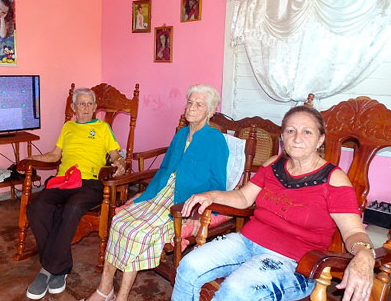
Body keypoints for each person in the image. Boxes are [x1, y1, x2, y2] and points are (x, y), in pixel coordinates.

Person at [172, 105, 376, 301]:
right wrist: (212, 195)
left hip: (294, 263)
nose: (297, 138)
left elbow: (352, 231)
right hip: (245, 242)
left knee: (235, 291)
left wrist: (364, 253)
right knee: (188, 265)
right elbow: (243, 198)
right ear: (283, 136)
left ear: (320, 140)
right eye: (290, 130)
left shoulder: (333, 179)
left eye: (307, 132)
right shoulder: (273, 164)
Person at [81, 84, 230, 301]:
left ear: (210, 112)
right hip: (160, 194)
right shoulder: (180, 135)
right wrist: (140, 197)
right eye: (190, 102)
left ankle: (121, 297)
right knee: (119, 220)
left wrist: (200, 214)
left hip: (183, 203)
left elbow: (218, 184)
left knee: (138, 233)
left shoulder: (216, 140)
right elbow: (164, 170)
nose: (191, 108)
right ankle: (105, 290)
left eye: (199, 104)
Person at [25, 88, 126, 300]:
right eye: (82, 104)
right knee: (38, 206)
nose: (87, 108)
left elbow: (115, 155)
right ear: (73, 108)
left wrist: (120, 164)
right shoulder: (68, 127)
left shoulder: (102, 128)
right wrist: (30, 158)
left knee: (72, 208)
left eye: (90, 104)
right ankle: (59, 268)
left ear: (96, 107)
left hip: (90, 182)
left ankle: (46, 270)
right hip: (63, 180)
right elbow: (55, 155)